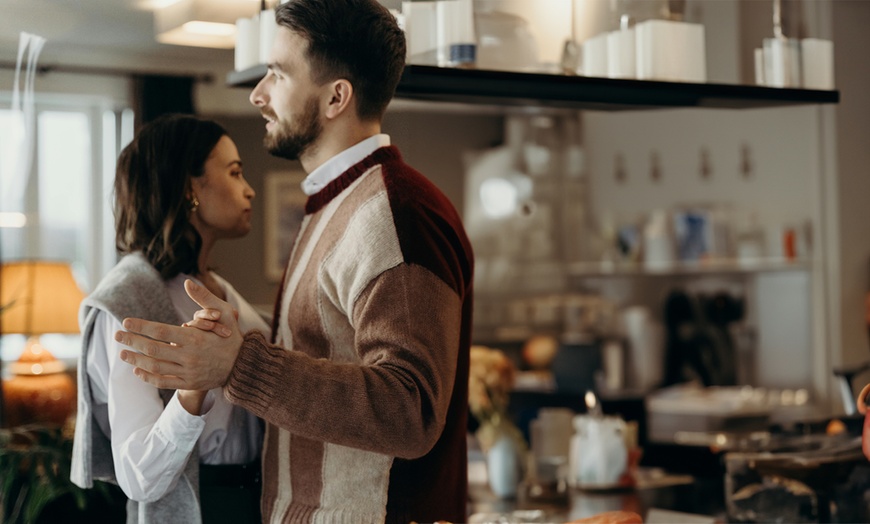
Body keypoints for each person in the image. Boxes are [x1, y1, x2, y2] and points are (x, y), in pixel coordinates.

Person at [114, 1, 475, 522]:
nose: (258, 94)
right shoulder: (334, 205)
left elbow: (409, 409)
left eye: (278, 74)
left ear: (336, 97)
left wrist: (240, 363)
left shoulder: (397, 212)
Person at [71, 114, 268, 524]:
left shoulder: (222, 292)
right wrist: (191, 390)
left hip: (261, 503)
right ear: (188, 188)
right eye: (234, 173)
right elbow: (140, 476)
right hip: (202, 510)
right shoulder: (126, 303)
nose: (249, 190)